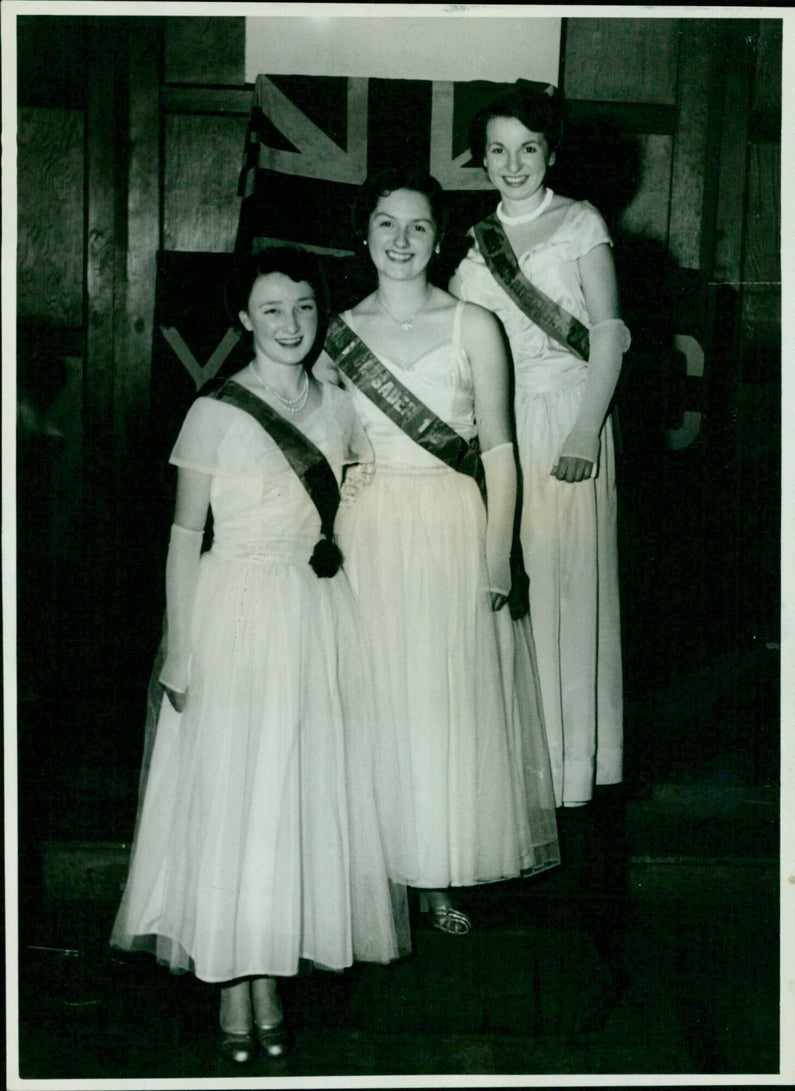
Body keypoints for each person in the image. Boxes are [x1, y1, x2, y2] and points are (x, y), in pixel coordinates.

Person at [110, 246, 408, 1065]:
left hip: (314, 617)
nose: (290, 325)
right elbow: (180, 541)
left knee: (291, 799)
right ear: (244, 318)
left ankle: (268, 975)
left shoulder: (342, 407)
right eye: (272, 309)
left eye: (305, 308)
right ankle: (231, 981)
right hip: (232, 613)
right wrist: (180, 649)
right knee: (234, 797)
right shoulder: (215, 412)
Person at [314, 167, 560, 935]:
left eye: (418, 226)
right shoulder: (337, 334)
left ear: (439, 237)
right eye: (386, 224)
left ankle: (435, 872)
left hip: (453, 527)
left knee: (441, 703)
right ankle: (377, 870)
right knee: (375, 699)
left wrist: (497, 561)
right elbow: (315, 441)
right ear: (364, 234)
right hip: (372, 530)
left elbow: (500, 455)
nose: (401, 240)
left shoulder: (473, 325)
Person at [450, 86, 632, 809]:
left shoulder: (580, 221)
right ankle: (517, 771)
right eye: (498, 149)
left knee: (566, 588)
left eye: (529, 147)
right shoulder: (472, 245)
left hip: (572, 418)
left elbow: (610, 334)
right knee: (508, 586)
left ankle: (570, 774)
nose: (513, 163)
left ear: (551, 152)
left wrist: (586, 428)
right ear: (482, 157)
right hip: (503, 427)